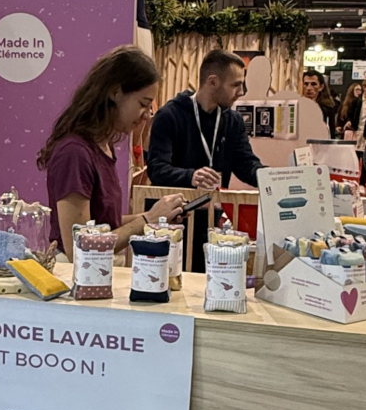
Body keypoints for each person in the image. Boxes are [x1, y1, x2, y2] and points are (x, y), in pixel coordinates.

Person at [38, 46, 185, 259]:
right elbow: (79, 248)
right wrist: (148, 220)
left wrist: (158, 216)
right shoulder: (75, 153)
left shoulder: (102, 147)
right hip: (77, 274)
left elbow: (104, 224)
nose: (147, 115)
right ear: (115, 92)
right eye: (143, 104)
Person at [146, 48, 263, 192]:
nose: (241, 92)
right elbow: (157, 169)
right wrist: (191, 177)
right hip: (176, 204)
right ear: (213, 82)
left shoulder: (233, 121)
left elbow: (245, 164)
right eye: (235, 85)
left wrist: (272, 178)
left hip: (214, 205)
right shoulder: (169, 116)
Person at [302, 69, 337, 135]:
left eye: (313, 84)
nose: (309, 88)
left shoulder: (327, 108)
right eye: (306, 84)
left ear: (321, 87)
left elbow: (331, 131)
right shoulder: (296, 106)